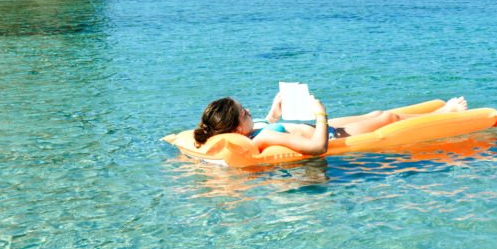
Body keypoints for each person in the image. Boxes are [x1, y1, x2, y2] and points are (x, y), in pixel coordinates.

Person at [193, 93, 468, 155]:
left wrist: (274, 112)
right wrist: (320, 114)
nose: (249, 110)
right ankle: (446, 113)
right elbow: (317, 147)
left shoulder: (253, 130)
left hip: (321, 124)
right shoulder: (262, 140)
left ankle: (440, 109)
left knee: (376, 110)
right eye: (244, 111)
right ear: (238, 129)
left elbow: (271, 123)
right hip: (329, 134)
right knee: (387, 119)